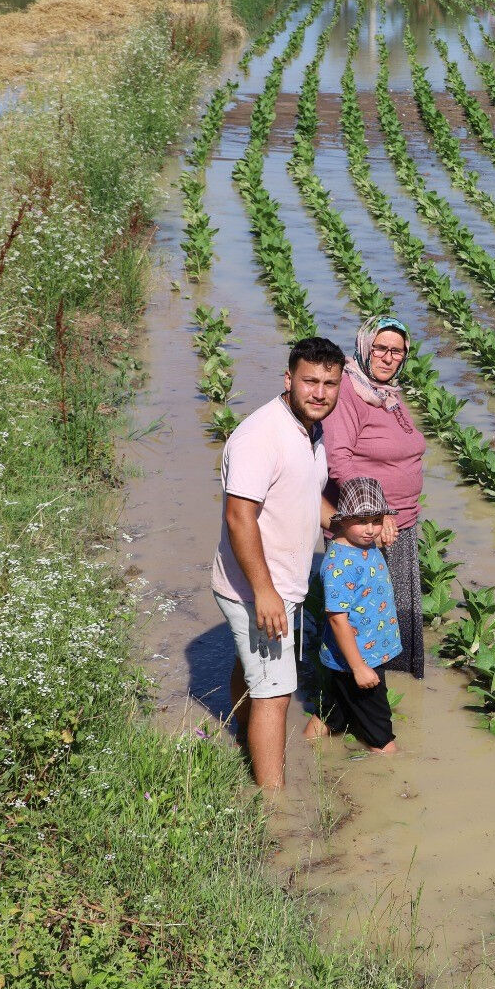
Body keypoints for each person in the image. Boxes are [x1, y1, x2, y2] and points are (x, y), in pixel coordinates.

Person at [212, 337, 346, 788]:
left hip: (277, 583)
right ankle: (274, 806)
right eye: (310, 381)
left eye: (330, 383)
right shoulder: (260, 436)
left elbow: (305, 496)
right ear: (288, 379)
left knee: (253, 674)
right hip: (256, 586)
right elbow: (239, 516)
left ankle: (241, 740)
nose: (320, 392)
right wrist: (264, 592)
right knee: (276, 693)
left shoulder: (310, 430)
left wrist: (346, 529)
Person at [324, 317, 428, 679]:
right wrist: (379, 513)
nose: (387, 358)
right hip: (367, 528)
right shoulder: (349, 394)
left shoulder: (387, 394)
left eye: (396, 351)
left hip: (400, 524)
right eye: (380, 348)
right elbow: (339, 460)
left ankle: (365, 707)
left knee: (385, 619)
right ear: (365, 348)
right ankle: (347, 711)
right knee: (363, 622)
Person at [303, 477, 401, 755]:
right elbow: (337, 619)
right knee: (383, 740)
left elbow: (371, 533)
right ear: (341, 519)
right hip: (356, 660)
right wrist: (358, 667)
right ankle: (388, 779)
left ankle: (302, 753)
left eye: (376, 520)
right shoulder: (339, 565)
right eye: (361, 521)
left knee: (332, 714)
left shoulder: (363, 545)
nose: (370, 530)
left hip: (351, 658)